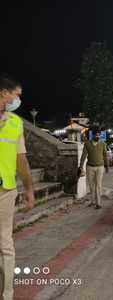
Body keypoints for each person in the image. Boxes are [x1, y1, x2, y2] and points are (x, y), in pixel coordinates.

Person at [0, 74, 35, 300]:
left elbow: (21, 160)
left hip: (6, 191)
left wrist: (29, 189)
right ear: (4, 93)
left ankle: (7, 293)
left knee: (5, 244)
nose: (18, 100)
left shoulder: (15, 123)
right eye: (16, 95)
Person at [79, 128, 109, 209]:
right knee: (91, 185)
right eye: (96, 134)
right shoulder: (87, 143)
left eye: (99, 134)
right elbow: (83, 155)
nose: (97, 136)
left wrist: (107, 166)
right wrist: (81, 166)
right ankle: (92, 201)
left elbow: (105, 155)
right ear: (93, 135)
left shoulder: (103, 143)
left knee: (98, 185)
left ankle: (98, 203)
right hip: (90, 167)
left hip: (100, 167)